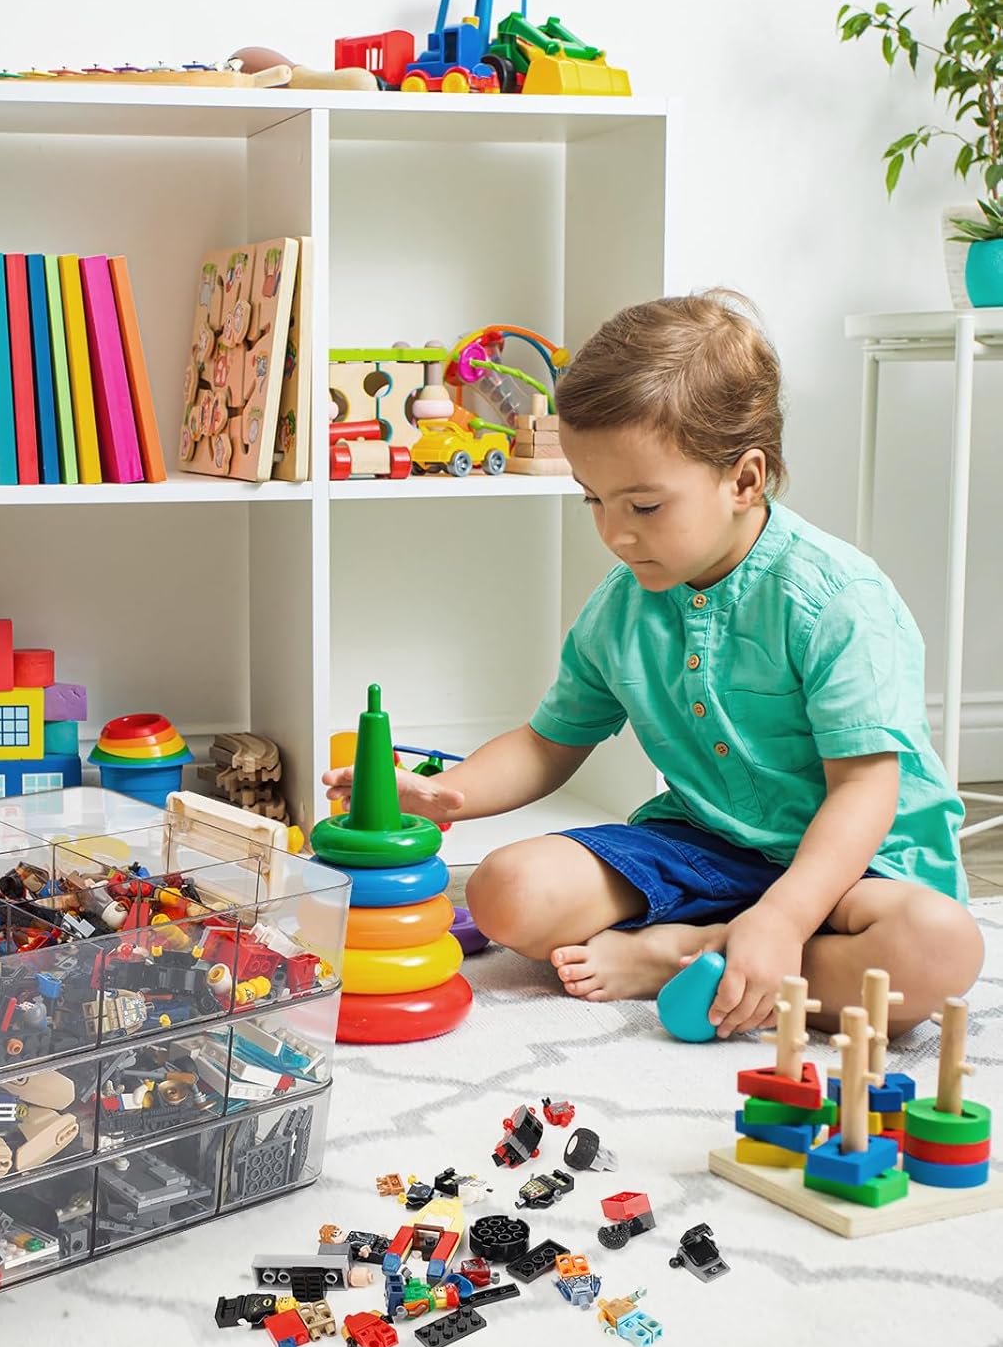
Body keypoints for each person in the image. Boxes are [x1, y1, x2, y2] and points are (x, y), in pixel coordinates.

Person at [324, 292, 981, 1037]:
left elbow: (864, 791)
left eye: (643, 507)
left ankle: (685, 954)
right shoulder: (623, 605)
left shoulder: (837, 600)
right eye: (593, 501)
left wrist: (784, 916)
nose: (614, 534)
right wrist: (451, 797)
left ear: (744, 480)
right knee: (506, 889)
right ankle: (735, 951)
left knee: (937, 949)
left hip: (856, 870)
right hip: (710, 847)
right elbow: (547, 743)